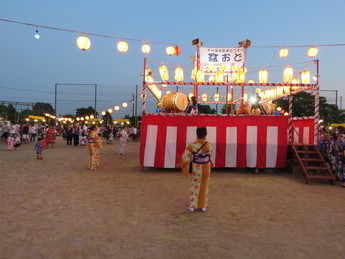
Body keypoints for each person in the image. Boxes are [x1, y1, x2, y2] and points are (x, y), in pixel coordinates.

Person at [179, 127, 213, 212]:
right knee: (204, 186)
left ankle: (192, 206)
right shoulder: (209, 144)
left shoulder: (193, 145)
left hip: (197, 169)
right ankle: (203, 206)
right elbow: (210, 154)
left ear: (197, 135)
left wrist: (182, 163)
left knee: (195, 186)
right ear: (206, 135)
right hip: (206, 168)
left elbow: (185, 156)